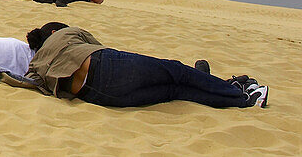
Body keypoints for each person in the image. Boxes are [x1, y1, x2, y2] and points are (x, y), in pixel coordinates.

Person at [26, 23, 269, 108]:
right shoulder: (66, 34)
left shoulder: (36, 65)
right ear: (54, 31)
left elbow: (24, 80)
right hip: (104, 66)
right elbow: (101, 47)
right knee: (176, 71)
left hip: (99, 96)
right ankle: (235, 90)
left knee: (175, 92)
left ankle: (243, 99)